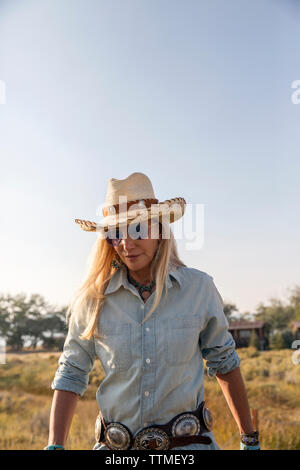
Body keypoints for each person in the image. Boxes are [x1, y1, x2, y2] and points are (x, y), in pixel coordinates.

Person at [45, 172, 260, 451]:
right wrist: (54, 446)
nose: (125, 244)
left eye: (137, 229)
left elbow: (225, 363)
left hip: (189, 447)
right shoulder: (93, 299)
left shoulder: (199, 289)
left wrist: (249, 440)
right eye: (115, 234)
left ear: (160, 230)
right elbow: (72, 372)